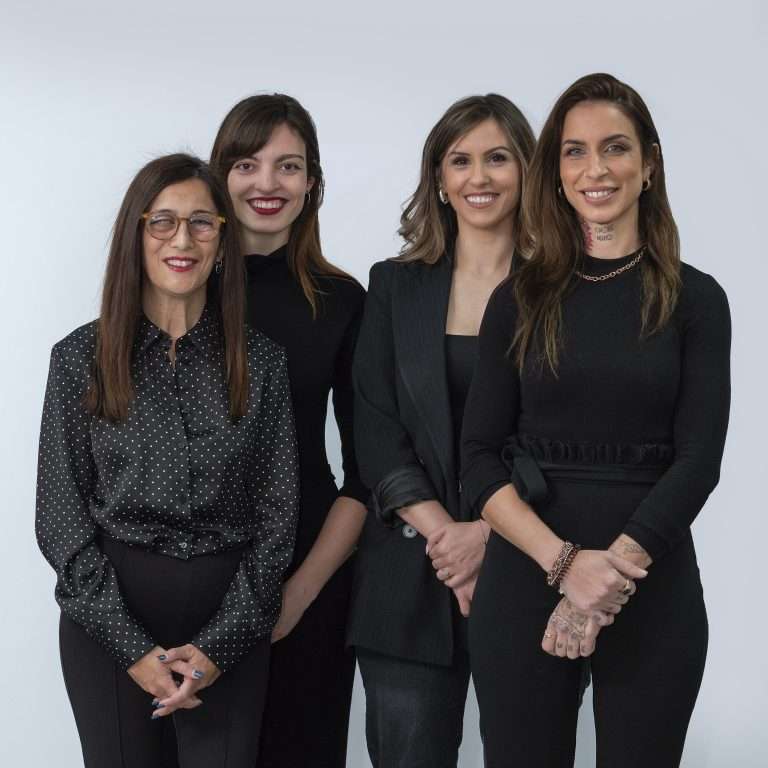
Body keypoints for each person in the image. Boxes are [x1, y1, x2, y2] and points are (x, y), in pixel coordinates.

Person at [461, 73, 731, 767]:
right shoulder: (517, 299)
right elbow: (480, 459)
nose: (595, 169)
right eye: (574, 152)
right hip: (526, 576)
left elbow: (698, 461)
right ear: (555, 173)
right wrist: (566, 567)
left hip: (651, 582)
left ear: (649, 164)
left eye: (614, 148)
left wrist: (608, 579)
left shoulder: (697, 300)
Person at [35, 153, 299, 768]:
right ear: (137, 234)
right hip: (108, 628)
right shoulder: (80, 359)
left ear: (222, 240)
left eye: (202, 223)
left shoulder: (262, 363)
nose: (183, 240)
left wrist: (218, 648)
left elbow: (278, 517)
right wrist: (132, 649)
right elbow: (60, 517)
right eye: (163, 222)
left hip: (229, 630)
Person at [348, 94, 535, 767]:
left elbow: (564, 433)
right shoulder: (395, 286)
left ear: (527, 171)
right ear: (438, 178)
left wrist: (489, 534)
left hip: (528, 567)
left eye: (497, 158)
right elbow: (374, 428)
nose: (478, 177)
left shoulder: (565, 289)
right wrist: (447, 539)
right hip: (407, 573)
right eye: (461, 160)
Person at [210, 94, 368, 768]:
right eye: (247, 164)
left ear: (313, 183)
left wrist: (296, 598)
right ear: (220, 176)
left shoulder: (342, 301)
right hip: (195, 572)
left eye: (288, 166)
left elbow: (366, 476)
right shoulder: (180, 287)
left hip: (309, 572)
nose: (267, 184)